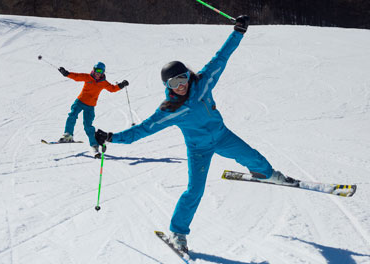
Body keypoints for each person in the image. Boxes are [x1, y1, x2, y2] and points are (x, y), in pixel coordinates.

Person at [95, 15, 288, 251]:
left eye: (183, 78)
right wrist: (113, 137)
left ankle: (266, 174)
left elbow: (221, 57)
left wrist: (238, 31)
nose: (180, 85)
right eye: (173, 83)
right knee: (194, 191)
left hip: (222, 135)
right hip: (199, 149)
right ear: (167, 87)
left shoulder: (203, 82)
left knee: (253, 157)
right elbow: (143, 130)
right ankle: (178, 232)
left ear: (188, 75)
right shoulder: (170, 110)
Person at [57, 62, 129, 158]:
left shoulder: (103, 82)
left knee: (88, 126)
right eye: (96, 70)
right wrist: (66, 73)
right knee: (72, 115)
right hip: (80, 101)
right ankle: (68, 135)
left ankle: (94, 145)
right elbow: (77, 76)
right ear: (94, 70)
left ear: (103, 72)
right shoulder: (88, 77)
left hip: (90, 106)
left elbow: (112, 88)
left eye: (100, 71)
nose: (98, 73)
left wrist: (121, 85)